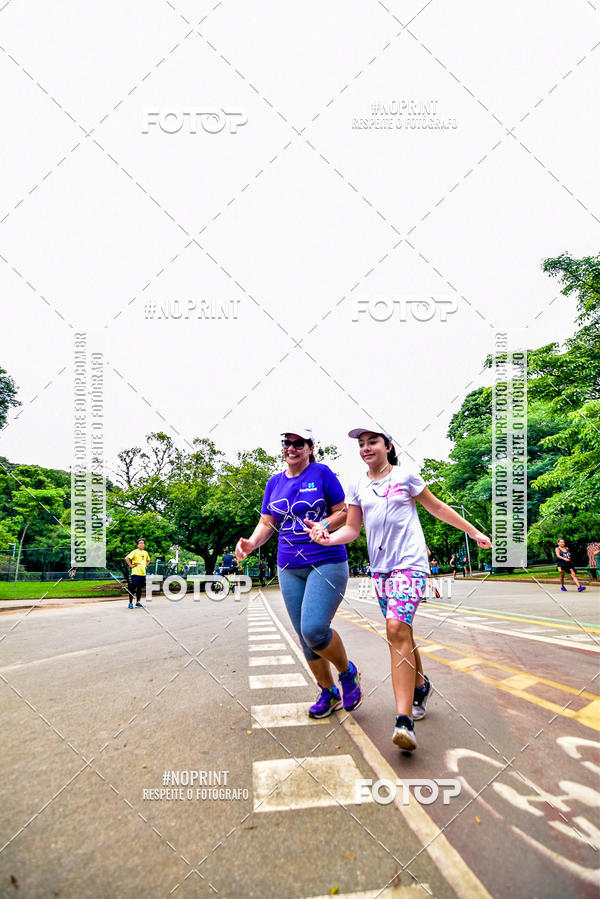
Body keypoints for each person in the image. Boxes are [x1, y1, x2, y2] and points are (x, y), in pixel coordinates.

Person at [306, 428, 491, 753]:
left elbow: (437, 508)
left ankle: (403, 721)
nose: (366, 448)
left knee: (395, 629)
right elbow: (351, 528)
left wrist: (474, 532)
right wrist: (328, 538)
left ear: (387, 446)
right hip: (381, 571)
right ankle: (421, 685)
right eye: (361, 444)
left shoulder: (406, 478)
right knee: (401, 632)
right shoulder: (358, 485)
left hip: (411, 565)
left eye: (372, 442)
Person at [236, 427, 362, 718]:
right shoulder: (274, 483)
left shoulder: (322, 473)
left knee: (314, 629)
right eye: (287, 443)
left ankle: (347, 673)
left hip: (326, 560)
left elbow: (344, 511)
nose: (291, 448)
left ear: (309, 447)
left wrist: (325, 525)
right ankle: (328, 692)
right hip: (289, 567)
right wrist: (251, 543)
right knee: (305, 637)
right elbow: (267, 523)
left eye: (298, 444)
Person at [125, 539, 150, 608]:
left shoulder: (145, 552)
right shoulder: (135, 552)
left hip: (142, 573)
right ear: (137, 544)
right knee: (133, 588)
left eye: (143, 543)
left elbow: (148, 560)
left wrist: (145, 565)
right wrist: (130, 565)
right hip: (135, 573)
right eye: (140, 543)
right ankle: (130, 603)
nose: (141, 544)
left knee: (140, 588)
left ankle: (138, 602)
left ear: (144, 544)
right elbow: (126, 558)